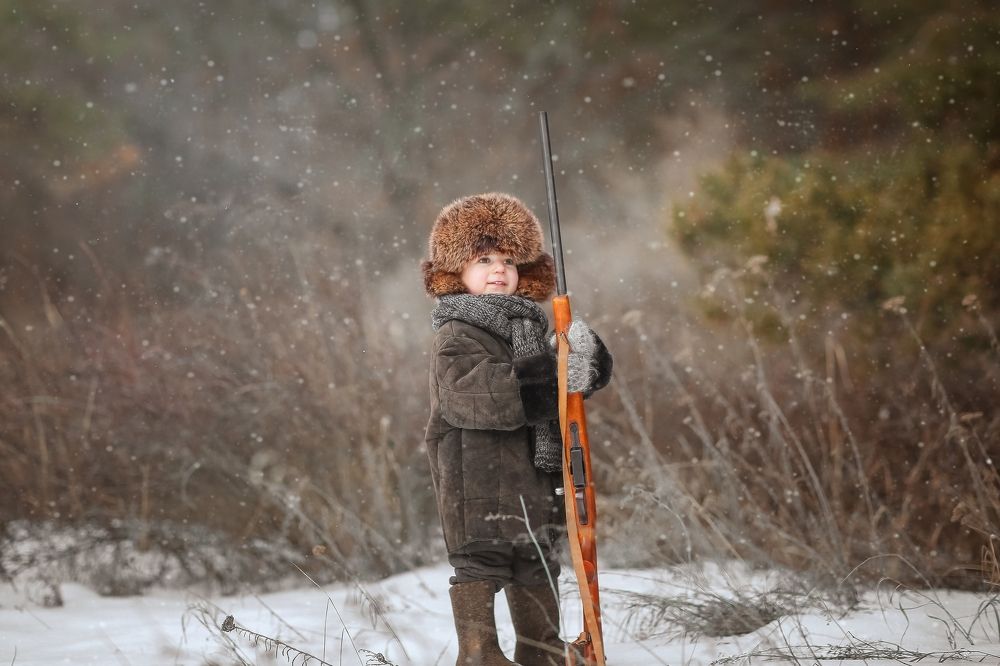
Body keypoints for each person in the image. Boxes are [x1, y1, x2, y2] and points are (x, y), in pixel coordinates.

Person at [421, 192, 613, 666]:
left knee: (536, 561)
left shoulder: (530, 330)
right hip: (476, 482)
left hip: (533, 479)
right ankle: (479, 654)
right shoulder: (456, 333)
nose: (499, 270)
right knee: (481, 563)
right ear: (456, 271)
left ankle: (540, 650)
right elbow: (474, 396)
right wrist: (551, 376)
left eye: (508, 260)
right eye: (484, 259)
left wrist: (583, 365)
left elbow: (560, 392)